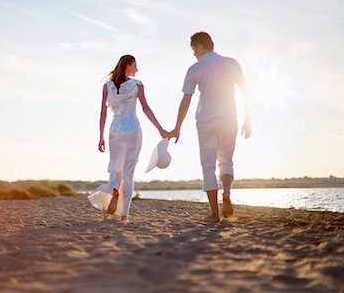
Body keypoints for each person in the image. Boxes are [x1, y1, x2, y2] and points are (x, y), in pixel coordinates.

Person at [169, 31, 252, 222]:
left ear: (199, 46)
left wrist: (177, 127)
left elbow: (186, 100)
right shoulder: (232, 63)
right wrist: (249, 119)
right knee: (226, 161)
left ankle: (215, 213)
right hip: (229, 119)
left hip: (205, 121)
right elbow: (245, 92)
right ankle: (227, 196)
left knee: (208, 167)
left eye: (193, 49)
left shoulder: (194, 68)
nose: (193, 54)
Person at [88, 55, 168, 221]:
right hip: (132, 130)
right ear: (128, 66)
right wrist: (161, 129)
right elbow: (146, 108)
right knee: (129, 173)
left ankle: (115, 189)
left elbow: (103, 112)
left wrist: (101, 136)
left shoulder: (107, 86)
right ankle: (124, 215)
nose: (137, 69)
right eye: (135, 66)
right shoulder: (137, 84)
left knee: (116, 170)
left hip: (115, 130)